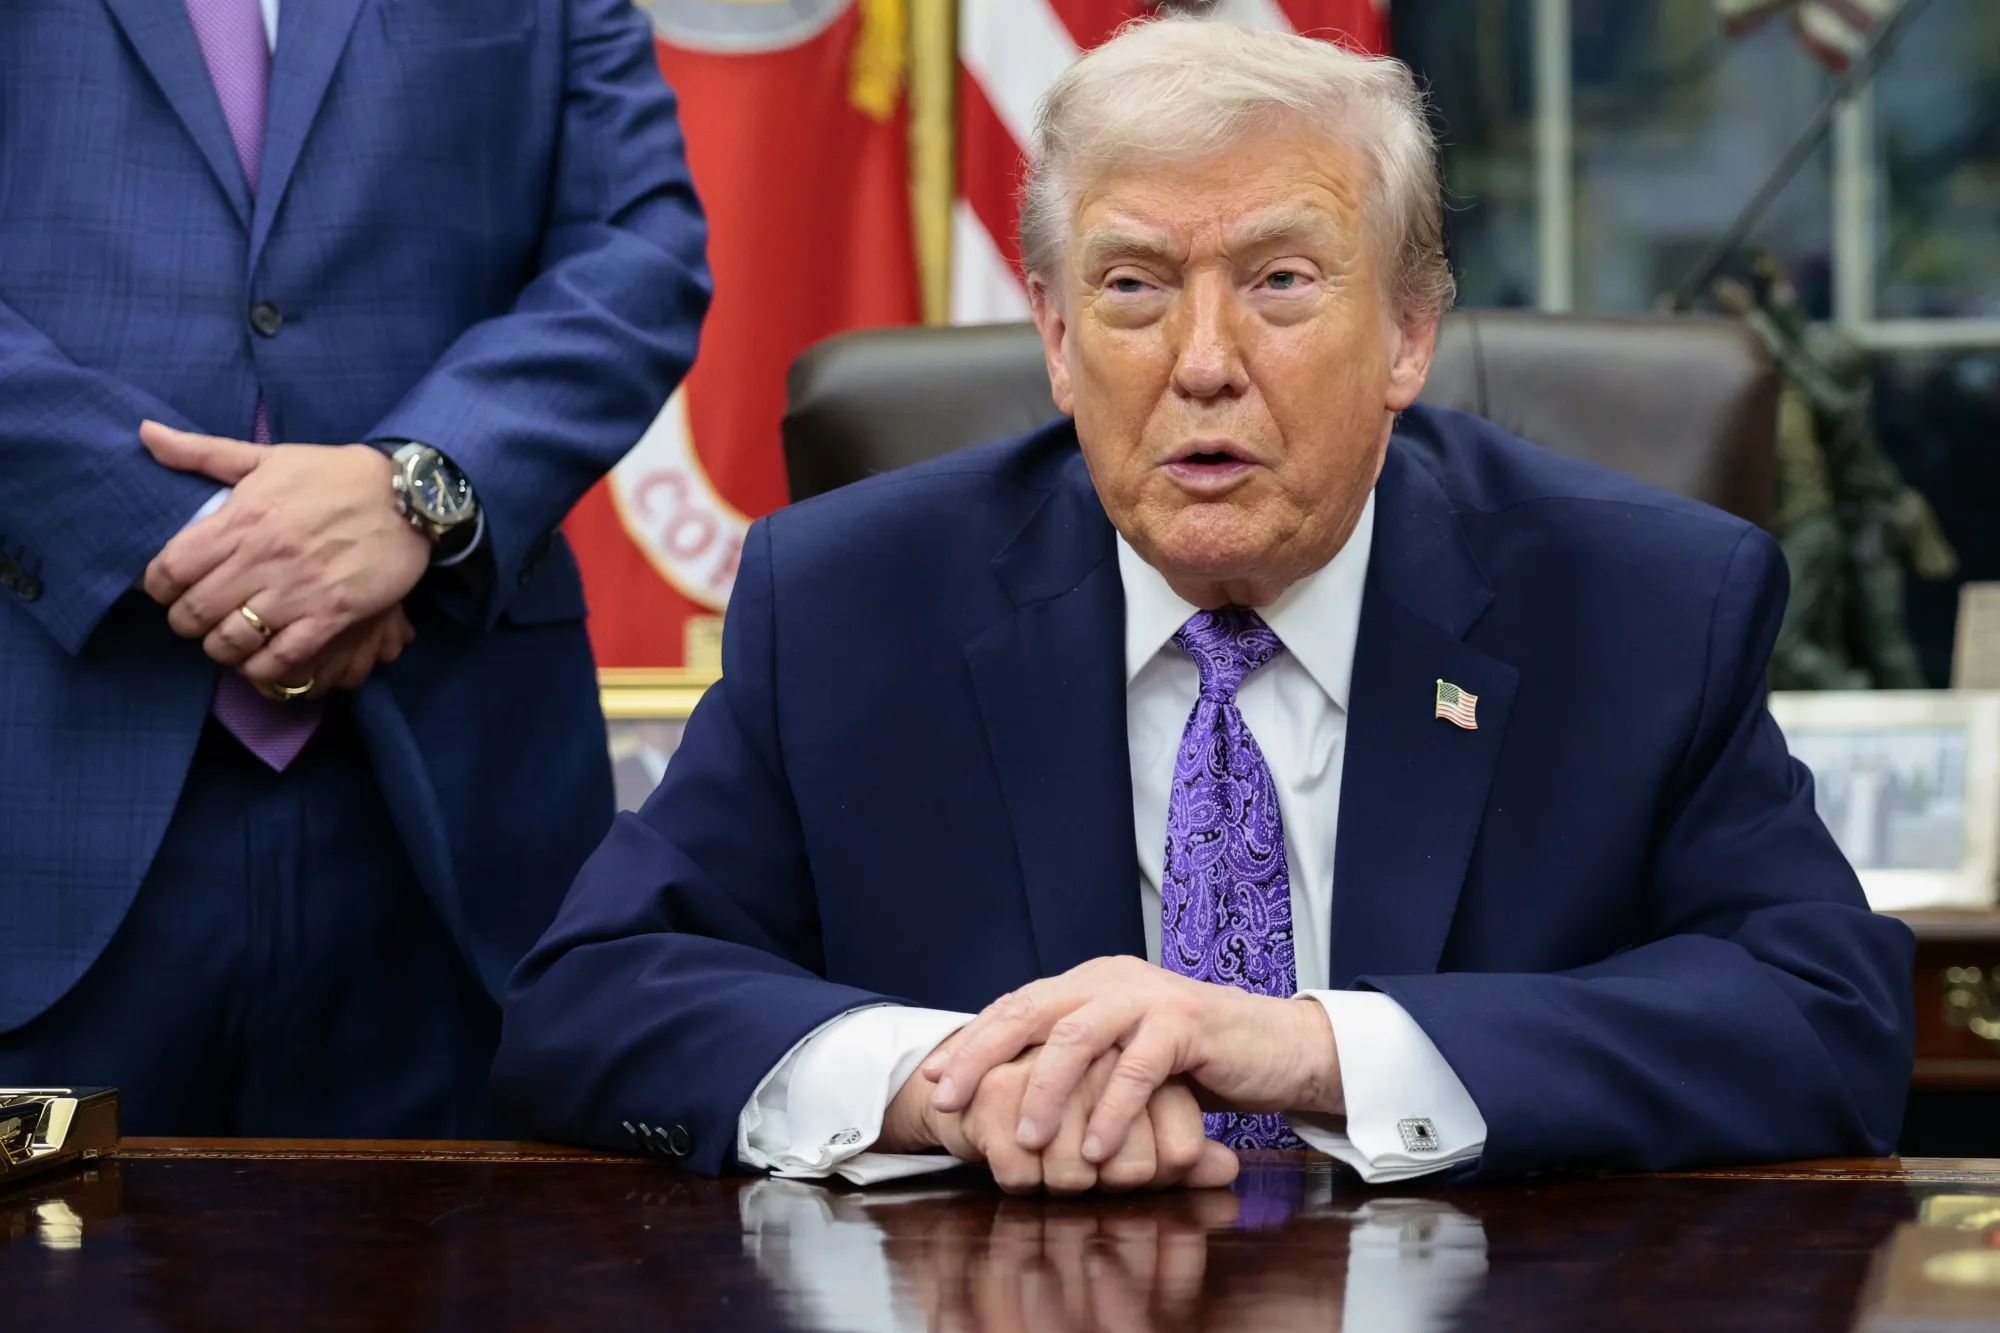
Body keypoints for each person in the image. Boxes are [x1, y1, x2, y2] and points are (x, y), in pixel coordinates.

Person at [494, 19, 1913, 1189]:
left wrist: (1310, 1051)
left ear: (1409, 332)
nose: (1205, 361)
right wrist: (940, 1085)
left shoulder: (1645, 604)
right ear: (1054, 337)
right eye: (1133, 287)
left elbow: (1822, 1022)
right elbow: (593, 999)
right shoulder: (855, 601)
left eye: (1282, 282)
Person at [0, 0, 708, 1136]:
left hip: (457, 795)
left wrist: (415, 489)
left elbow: (638, 248)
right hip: (44, 763)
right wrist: (212, 539)